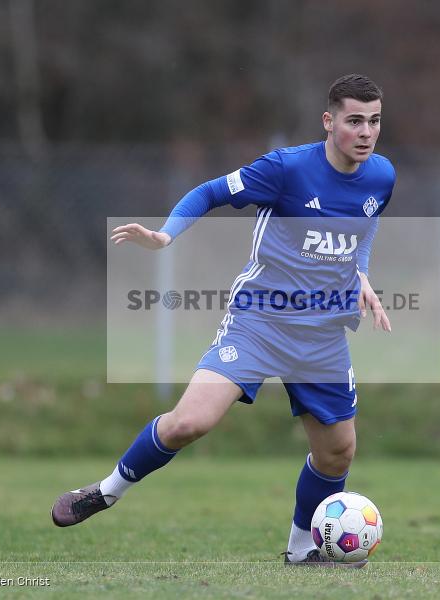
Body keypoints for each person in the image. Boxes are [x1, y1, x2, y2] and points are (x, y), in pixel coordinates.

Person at [51, 74, 395, 567]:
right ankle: (105, 492)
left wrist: (360, 271)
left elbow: (368, 222)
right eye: (354, 121)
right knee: (189, 422)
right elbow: (209, 192)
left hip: (321, 334)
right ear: (329, 121)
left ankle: (301, 552)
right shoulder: (286, 170)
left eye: (375, 121)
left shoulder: (381, 175)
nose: (366, 132)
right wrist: (167, 236)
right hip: (259, 321)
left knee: (338, 453)